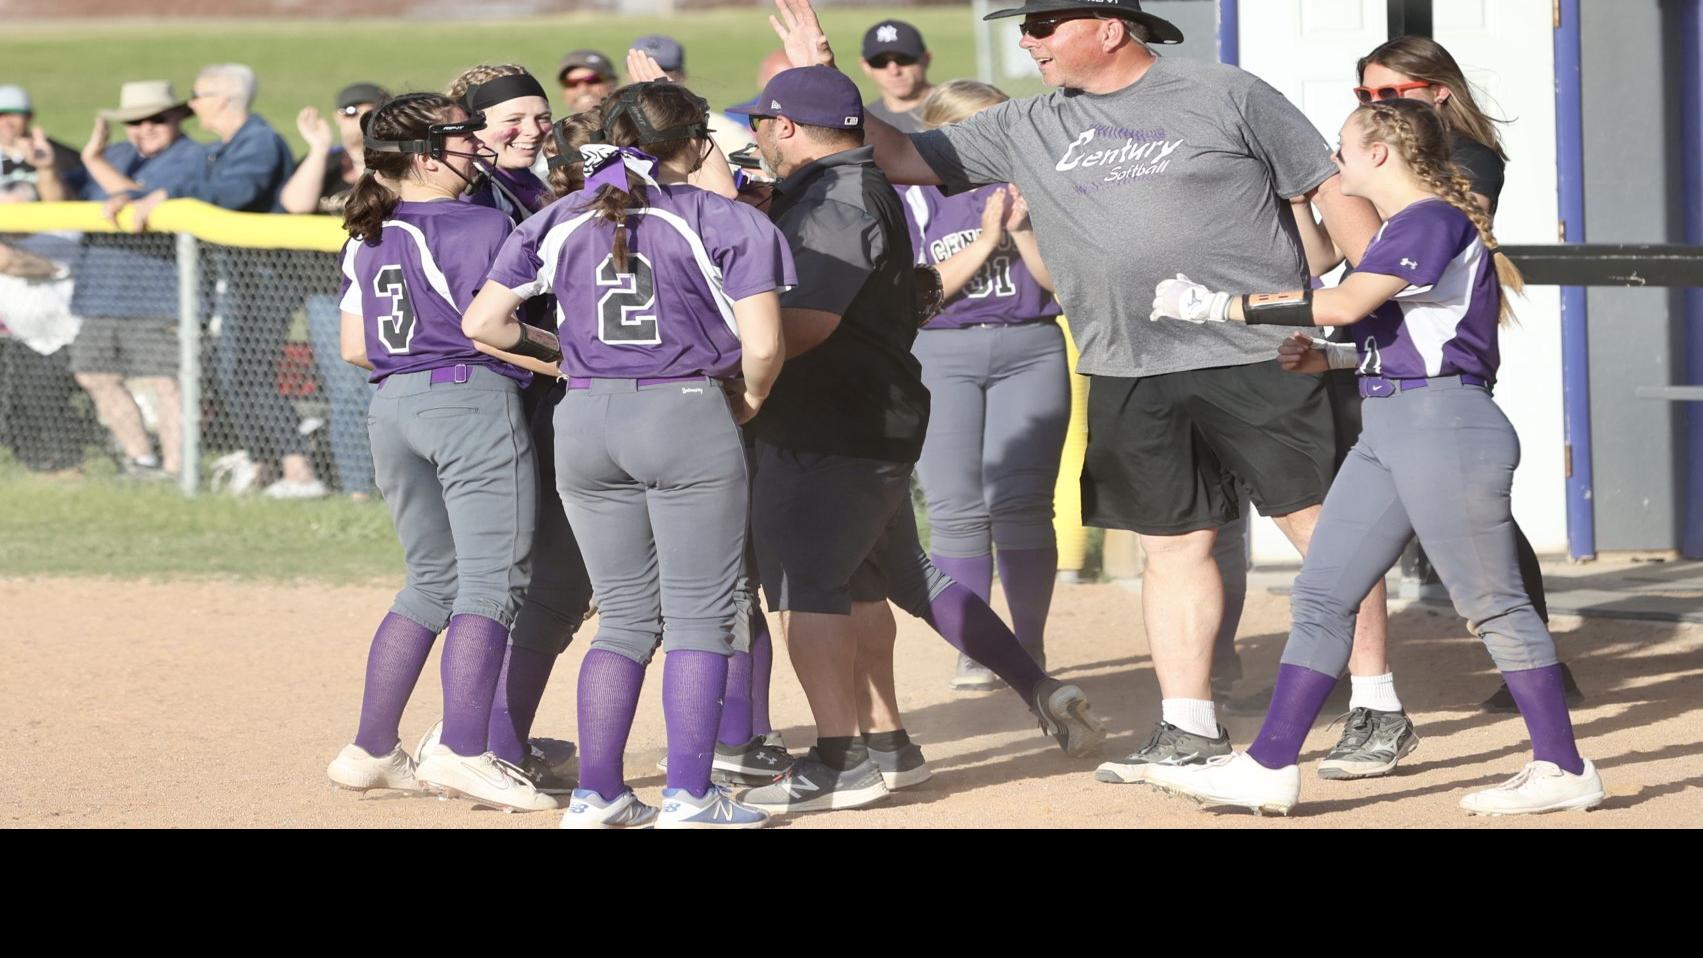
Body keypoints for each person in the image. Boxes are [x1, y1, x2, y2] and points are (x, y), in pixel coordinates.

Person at [763, 0, 1384, 786]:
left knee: (1318, 531)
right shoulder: (1026, 122)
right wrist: (823, 72)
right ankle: (1188, 724)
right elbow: (897, 155)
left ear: (1109, 27)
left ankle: (1375, 701)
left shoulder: (1227, 93)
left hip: (1251, 351)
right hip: (1126, 360)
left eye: (1043, 26)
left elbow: (1325, 183)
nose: (1027, 41)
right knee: (1170, 546)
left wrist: (1367, 292)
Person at [1143, 97, 1604, 817]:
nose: (1334, 159)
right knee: (1323, 594)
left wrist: (1215, 306)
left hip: (1442, 426)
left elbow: (1345, 301)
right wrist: (1328, 361)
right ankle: (1268, 765)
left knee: (1491, 604)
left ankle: (1562, 766)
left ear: (1381, 154)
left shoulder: (1428, 219)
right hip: (1393, 424)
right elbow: (1389, 330)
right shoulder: (1404, 227)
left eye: (1343, 147)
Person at [730, 66, 1104, 818]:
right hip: (869, 417)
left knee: (810, 588)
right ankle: (919, 733)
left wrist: (724, 358)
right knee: (894, 571)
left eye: (761, 124)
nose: (754, 137)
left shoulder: (836, 200)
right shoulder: (849, 189)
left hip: (832, 421)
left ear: (788, 128)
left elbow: (807, 326)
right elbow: (907, 293)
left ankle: (840, 758)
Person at [466, 80, 794, 830]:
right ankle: (688, 796)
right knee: (704, 617)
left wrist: (571, 365)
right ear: (695, 144)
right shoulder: (721, 217)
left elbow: (483, 321)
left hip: (585, 420)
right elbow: (766, 343)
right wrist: (748, 398)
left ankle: (598, 795)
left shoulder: (558, 217)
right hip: (682, 411)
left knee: (621, 619)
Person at [323, 92, 562, 814]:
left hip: (393, 407)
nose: (474, 150)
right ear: (427, 155)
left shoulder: (369, 227)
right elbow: (491, 327)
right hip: (469, 401)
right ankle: (463, 748)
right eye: (461, 140)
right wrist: (575, 361)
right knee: (492, 584)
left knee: (430, 583)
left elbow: (355, 348)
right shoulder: (478, 220)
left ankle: (370, 749)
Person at [899, 79, 1067, 692]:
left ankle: (1029, 644)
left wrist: (1022, 231)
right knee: (956, 510)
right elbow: (916, 292)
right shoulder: (913, 195)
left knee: (1023, 506)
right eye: (977, 132)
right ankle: (977, 649)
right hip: (941, 350)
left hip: (1030, 345)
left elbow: (1058, 285)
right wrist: (986, 242)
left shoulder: (1033, 183)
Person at [170, 63, 327, 498]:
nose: (192, 104)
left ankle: (299, 471)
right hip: (242, 277)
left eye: (196, 95)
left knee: (249, 373)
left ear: (222, 99)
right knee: (232, 372)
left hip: (268, 277)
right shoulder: (225, 146)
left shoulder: (258, 142)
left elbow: (234, 195)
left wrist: (173, 198)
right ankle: (263, 463)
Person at [69, 81, 204, 480]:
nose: (145, 128)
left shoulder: (193, 156)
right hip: (102, 287)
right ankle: (141, 459)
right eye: (134, 121)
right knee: (93, 373)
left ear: (177, 117)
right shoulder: (116, 155)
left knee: (167, 381)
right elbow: (70, 194)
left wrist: (94, 162)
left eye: (156, 119)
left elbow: (148, 199)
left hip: (162, 291)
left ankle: (180, 470)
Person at [280, 82, 390, 499]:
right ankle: (358, 489)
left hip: (385, 290)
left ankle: (394, 482)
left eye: (367, 110)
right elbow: (294, 203)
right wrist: (316, 149)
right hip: (331, 295)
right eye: (346, 110)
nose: (354, 118)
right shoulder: (324, 164)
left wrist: (368, 156)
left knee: (384, 387)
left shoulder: (394, 164)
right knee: (346, 393)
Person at [448, 65, 554, 221]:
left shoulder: (521, 178)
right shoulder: (472, 194)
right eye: (514, 120)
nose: (534, 131)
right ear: (470, 123)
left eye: (543, 118)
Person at [629, 35, 757, 163]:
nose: (649, 78)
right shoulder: (616, 129)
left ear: (682, 77)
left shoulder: (725, 132)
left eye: (663, 70)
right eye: (638, 67)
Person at [0, 84, 86, 203]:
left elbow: (62, 204)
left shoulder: (62, 156)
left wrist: (46, 168)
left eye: (14, 114)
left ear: (30, 116)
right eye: (1, 115)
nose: (6, 122)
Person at [858, 20, 934, 133]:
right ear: (865, 66)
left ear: (926, 59)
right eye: (879, 62)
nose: (894, 71)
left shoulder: (958, 109)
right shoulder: (862, 123)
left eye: (904, 59)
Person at [557, 49, 619, 115]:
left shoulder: (629, 123)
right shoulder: (552, 125)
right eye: (572, 83)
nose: (583, 89)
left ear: (613, 83)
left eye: (592, 80)